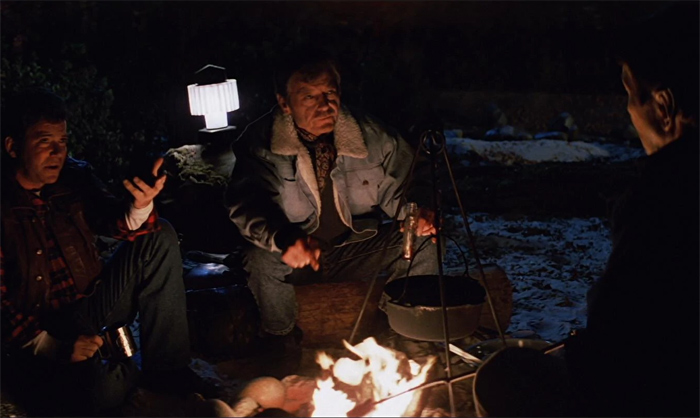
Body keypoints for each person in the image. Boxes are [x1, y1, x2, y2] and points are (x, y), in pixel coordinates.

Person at [224, 48, 440, 374]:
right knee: (259, 257)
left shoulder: (371, 136)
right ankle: (281, 339)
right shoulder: (262, 143)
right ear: (284, 102)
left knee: (425, 240)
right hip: (295, 259)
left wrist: (417, 212)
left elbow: (406, 185)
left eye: (329, 93)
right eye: (309, 97)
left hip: (351, 250)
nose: (324, 106)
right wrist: (284, 238)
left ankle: (401, 329)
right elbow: (249, 203)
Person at [0, 88, 215, 416]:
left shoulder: (73, 176)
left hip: (91, 303)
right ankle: (116, 373)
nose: (58, 152)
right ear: (13, 146)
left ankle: (167, 372)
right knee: (98, 391)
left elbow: (113, 219)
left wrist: (139, 205)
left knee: (160, 235)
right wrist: (55, 347)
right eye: (45, 141)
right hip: (39, 328)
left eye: (63, 141)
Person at [564, 2, 699, 416]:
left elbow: (620, 344)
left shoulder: (667, 196)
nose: (627, 111)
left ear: (663, 106)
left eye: (629, 93)